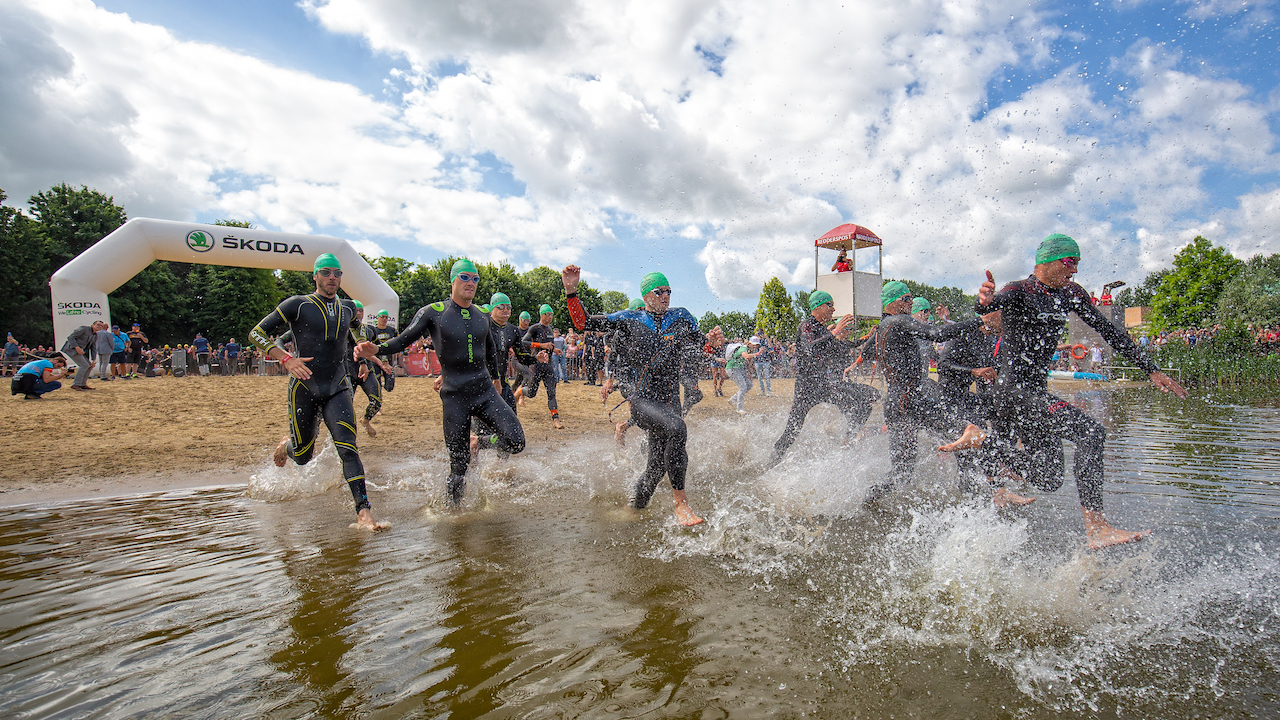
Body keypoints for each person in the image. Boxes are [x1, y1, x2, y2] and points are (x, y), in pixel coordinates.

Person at [977, 233, 1188, 549]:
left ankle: (983, 441)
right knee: (1091, 433)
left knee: (1048, 478)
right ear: (1047, 261)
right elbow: (990, 306)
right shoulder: (1019, 289)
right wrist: (983, 301)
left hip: (1033, 393)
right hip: (1013, 392)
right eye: (1069, 262)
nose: (1074, 270)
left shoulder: (1072, 293)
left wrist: (1151, 369)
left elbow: (1110, 332)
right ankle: (1097, 528)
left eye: (1077, 263)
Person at [356, 259, 525, 504]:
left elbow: (488, 349)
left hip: (485, 392)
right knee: (459, 468)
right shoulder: (433, 312)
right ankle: (454, 517)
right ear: (453, 280)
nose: (471, 283)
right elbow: (403, 339)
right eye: (465, 277)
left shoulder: (482, 315)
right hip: (455, 396)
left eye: (475, 279)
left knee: (516, 440)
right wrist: (377, 348)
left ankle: (477, 442)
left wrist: (497, 379)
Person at [250, 253, 387, 531]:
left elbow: (359, 331)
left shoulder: (348, 308)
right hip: (304, 387)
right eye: (326, 272)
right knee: (302, 456)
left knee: (348, 449)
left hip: (338, 387)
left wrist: (361, 351)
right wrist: (286, 359)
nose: (332, 278)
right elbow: (256, 333)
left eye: (337, 273)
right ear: (315, 275)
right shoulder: (297, 305)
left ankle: (364, 513)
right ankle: (285, 446)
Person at [564, 266, 705, 526]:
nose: (666, 296)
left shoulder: (682, 316)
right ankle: (681, 505)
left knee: (656, 468)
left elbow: (698, 345)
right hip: (642, 401)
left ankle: (633, 509)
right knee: (678, 429)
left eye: (669, 291)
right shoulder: (630, 319)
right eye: (659, 291)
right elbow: (583, 323)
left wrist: (708, 347)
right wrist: (571, 291)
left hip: (670, 400)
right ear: (646, 295)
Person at [864, 281, 994, 504]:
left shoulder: (886, 325)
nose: (911, 302)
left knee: (902, 473)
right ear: (892, 303)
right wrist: (980, 320)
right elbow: (938, 333)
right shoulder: (899, 320)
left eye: (911, 298)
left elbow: (867, 352)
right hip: (908, 403)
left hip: (900, 404)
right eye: (906, 299)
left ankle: (864, 502)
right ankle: (974, 500)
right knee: (965, 437)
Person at [766, 291, 879, 468]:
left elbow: (843, 345)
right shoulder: (807, 325)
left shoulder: (821, 329)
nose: (833, 309)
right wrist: (835, 331)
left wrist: (868, 338)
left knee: (870, 396)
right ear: (818, 307)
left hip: (825, 385)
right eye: (830, 305)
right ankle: (772, 461)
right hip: (806, 387)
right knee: (792, 431)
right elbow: (810, 348)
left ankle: (849, 439)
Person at [470, 292, 522, 457]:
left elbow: (523, 356)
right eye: (501, 307)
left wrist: (536, 357)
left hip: (503, 384)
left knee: (511, 426)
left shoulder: (513, 330)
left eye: (508, 307)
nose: (506, 310)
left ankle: (500, 461)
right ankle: (475, 449)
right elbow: (463, 351)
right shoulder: (481, 326)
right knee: (482, 426)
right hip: (481, 385)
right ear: (492, 309)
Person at [521, 304, 564, 429]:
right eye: (548, 314)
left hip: (548, 365)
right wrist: (541, 345)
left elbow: (548, 345)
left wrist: (554, 350)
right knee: (531, 393)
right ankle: (520, 391)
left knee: (551, 392)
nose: (550, 317)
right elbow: (524, 342)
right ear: (542, 315)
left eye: (551, 314)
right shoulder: (534, 328)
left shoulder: (550, 329)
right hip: (536, 365)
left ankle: (555, 419)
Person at [724, 338, 760, 414]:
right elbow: (746, 356)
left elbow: (747, 362)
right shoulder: (743, 348)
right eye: (754, 345)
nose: (755, 347)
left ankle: (733, 399)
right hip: (732, 368)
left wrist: (748, 373)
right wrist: (757, 354)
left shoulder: (750, 350)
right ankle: (739, 408)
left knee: (749, 385)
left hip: (739, 368)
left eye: (757, 345)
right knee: (743, 387)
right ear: (749, 344)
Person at [369, 310, 398, 391]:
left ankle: (384, 385)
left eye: (386, 317)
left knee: (390, 387)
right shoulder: (372, 330)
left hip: (388, 360)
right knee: (376, 386)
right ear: (377, 318)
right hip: (376, 360)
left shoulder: (392, 330)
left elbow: (400, 341)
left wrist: (404, 353)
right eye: (382, 317)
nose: (384, 319)